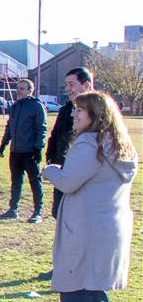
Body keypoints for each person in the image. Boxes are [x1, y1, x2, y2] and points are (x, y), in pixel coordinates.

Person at [42, 91, 137, 302]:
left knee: (75, 297)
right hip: (109, 229)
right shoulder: (119, 144)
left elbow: (69, 182)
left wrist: (51, 171)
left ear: (95, 115)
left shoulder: (89, 143)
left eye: (80, 111)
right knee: (96, 295)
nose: (74, 116)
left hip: (86, 230)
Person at [0, 78, 47, 223]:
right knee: (16, 181)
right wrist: (4, 143)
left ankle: (38, 211)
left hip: (29, 151)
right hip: (15, 151)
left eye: (22, 88)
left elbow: (41, 128)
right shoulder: (15, 106)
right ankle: (13, 209)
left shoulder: (36, 106)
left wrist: (38, 148)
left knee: (35, 182)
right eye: (17, 88)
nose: (18, 91)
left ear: (30, 90)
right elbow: (9, 126)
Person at [45, 67, 94, 218]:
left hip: (85, 175)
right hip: (64, 169)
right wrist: (52, 159)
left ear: (86, 85)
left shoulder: (100, 111)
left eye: (71, 84)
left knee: (78, 216)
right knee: (58, 212)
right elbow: (55, 136)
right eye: (66, 85)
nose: (67, 89)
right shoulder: (65, 110)